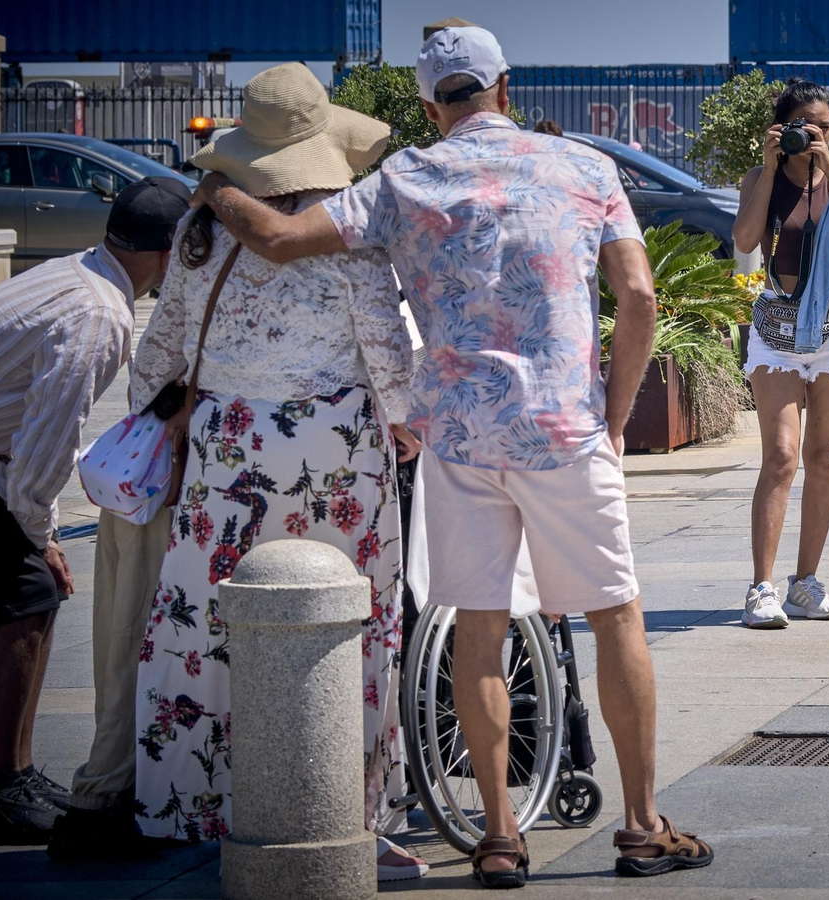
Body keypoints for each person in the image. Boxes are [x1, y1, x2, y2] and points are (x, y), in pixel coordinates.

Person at [193, 27, 713, 887]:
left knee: (478, 626)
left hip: (460, 438)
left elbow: (281, 239)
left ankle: (500, 836)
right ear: (506, 89)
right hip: (563, 432)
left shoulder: (405, 179)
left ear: (433, 106)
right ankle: (642, 823)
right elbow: (640, 295)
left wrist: (215, 186)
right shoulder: (583, 168)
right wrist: (615, 416)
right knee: (615, 613)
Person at [126, 63, 426, 881]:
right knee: (343, 613)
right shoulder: (345, 228)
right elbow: (384, 340)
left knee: (211, 616)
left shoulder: (199, 234)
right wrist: (403, 417)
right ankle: (345, 802)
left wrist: (177, 407)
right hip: (332, 445)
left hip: (228, 443)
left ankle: (197, 799)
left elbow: (163, 350)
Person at [0, 177, 189, 845]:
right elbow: (44, 445)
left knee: (25, 592)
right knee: (30, 588)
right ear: (168, 254)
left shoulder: (78, 271)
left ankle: (8, 780)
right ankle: (2, 788)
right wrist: (44, 536)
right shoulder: (100, 315)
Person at [729, 78, 829, 629]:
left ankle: (806, 582)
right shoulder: (761, 177)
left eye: (823, 125)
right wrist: (773, 168)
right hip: (776, 323)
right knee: (781, 455)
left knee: (824, 457)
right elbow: (748, 241)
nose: (815, 133)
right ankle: (762, 588)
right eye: (805, 125)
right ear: (782, 127)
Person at [48, 395, 178, 860]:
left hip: (145, 477)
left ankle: (112, 791)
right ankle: (102, 798)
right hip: (171, 484)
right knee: (134, 639)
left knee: (121, 635)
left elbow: (145, 386)